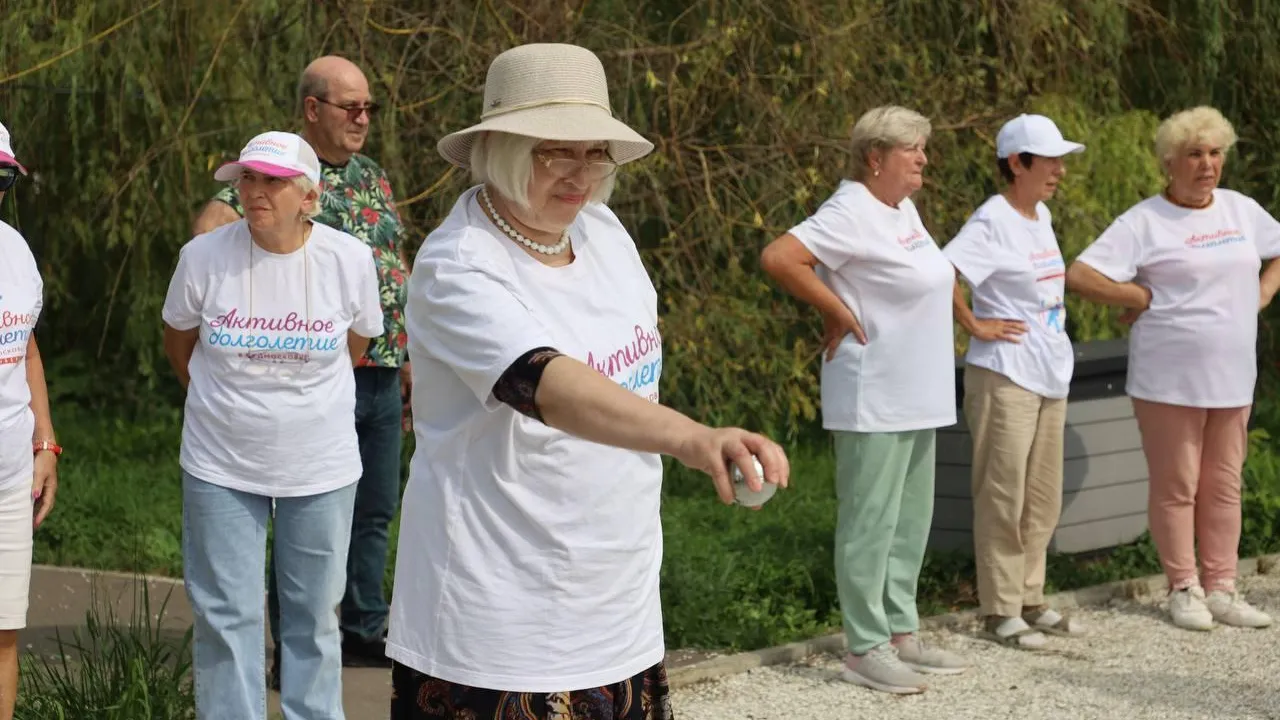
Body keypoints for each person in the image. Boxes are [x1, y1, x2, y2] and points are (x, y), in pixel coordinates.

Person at [384, 43, 789, 720]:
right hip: (500, 627)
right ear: (500, 149)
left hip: (619, 610)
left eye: (595, 152)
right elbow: (547, 385)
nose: (581, 175)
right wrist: (694, 439)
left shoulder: (603, 232)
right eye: (555, 152)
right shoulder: (458, 266)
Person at [192, 55, 411, 682]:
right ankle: (292, 648)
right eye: (351, 107)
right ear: (313, 108)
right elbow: (212, 232)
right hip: (310, 376)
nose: (363, 118)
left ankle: (363, 624)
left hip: (382, 366)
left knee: (371, 509)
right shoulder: (273, 172)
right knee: (295, 512)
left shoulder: (372, 175)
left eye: (369, 107)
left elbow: (392, 266)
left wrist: (409, 355)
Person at [163, 130, 383, 719]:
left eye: (273, 181)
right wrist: (225, 402)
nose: (255, 191)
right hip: (220, 463)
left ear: (308, 197)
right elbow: (179, 344)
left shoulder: (349, 259)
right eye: (248, 179)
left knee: (313, 616)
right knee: (225, 615)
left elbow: (355, 347)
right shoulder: (203, 256)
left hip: (321, 464)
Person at [760, 106, 968, 695]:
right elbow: (780, 257)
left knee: (910, 521)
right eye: (912, 149)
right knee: (870, 523)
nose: (924, 157)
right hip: (874, 390)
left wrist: (968, 322)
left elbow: (933, 276)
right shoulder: (850, 209)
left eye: (924, 146)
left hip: (921, 390)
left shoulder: (901, 208)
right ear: (874, 157)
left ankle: (901, 631)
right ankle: (864, 646)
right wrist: (836, 309)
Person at [1066, 105, 1280, 631]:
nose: (1207, 165)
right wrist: (1136, 292)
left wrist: (1258, 296)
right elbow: (1080, 273)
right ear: (1169, 163)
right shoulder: (1144, 220)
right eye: (1194, 155)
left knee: (1224, 483)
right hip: (1168, 378)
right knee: (1178, 483)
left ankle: (1223, 586)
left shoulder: (1239, 210)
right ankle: (1183, 586)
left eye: (1215, 153)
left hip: (1232, 373)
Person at [943, 114, 1087, 650]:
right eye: (1048, 160)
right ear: (1016, 163)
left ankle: (1031, 596)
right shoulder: (991, 220)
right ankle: (999, 608)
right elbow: (942, 272)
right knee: (1004, 492)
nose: (1059, 170)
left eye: (1059, 160)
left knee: (1043, 495)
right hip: (1005, 374)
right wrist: (974, 324)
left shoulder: (1040, 214)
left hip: (1050, 370)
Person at [0, 120, 59, 720]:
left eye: (1, 177)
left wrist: (46, 442)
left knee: (2, 636)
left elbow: (27, 352)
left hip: (9, 476)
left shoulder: (15, 252)